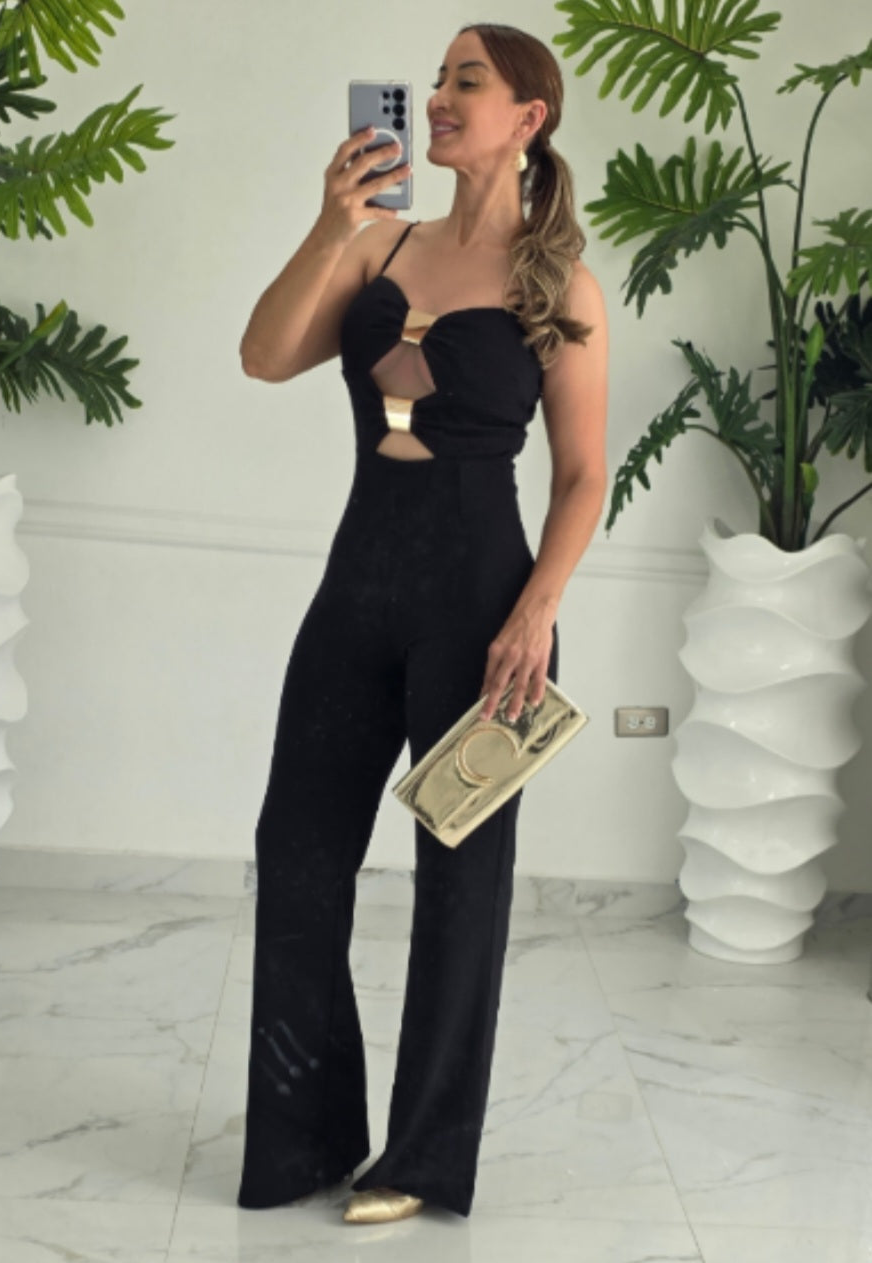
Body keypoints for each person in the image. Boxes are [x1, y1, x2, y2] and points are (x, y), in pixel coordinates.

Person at [236, 21, 608, 1225]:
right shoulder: (379, 241)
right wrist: (329, 223)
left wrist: (535, 615)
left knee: (460, 885)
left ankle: (420, 1159)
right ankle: (303, 1138)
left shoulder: (559, 284)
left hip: (482, 609)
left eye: (466, 82)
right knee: (298, 855)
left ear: (527, 118)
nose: (438, 97)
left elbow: (582, 475)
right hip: (354, 592)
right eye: (437, 79)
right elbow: (263, 358)